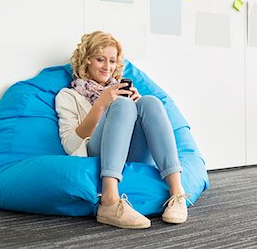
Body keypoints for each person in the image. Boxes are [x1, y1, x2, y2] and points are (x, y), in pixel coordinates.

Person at [55, 31, 190, 229]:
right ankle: (109, 200)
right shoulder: (68, 96)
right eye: (100, 59)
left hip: (131, 152)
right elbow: (69, 145)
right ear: (86, 61)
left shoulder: (118, 90)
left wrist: (136, 107)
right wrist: (101, 105)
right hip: (97, 153)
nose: (107, 67)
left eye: (112, 61)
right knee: (123, 106)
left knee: (149, 102)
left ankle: (177, 194)